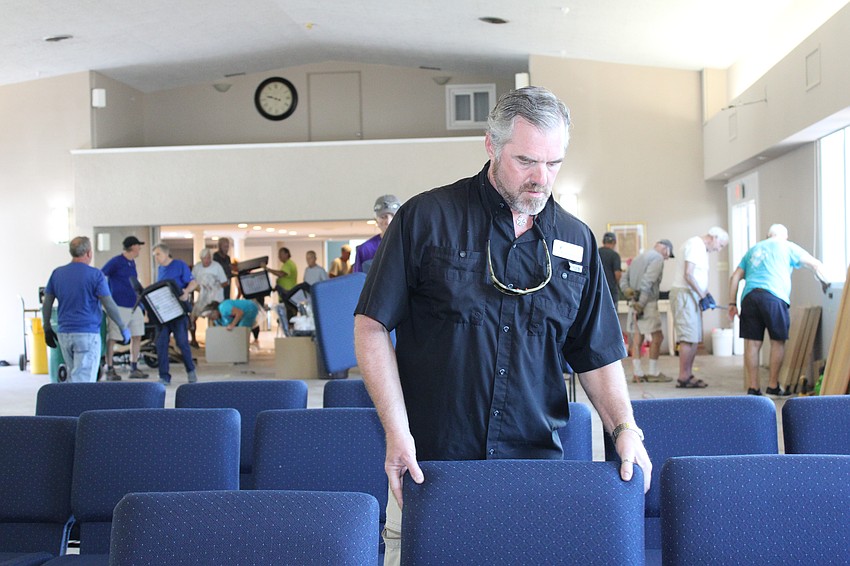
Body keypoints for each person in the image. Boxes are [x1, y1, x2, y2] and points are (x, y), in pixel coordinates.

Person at [353, 86, 651, 565]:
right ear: (491, 146)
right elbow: (371, 327)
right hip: (432, 462)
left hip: (533, 468)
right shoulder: (426, 219)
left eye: (555, 164)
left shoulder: (575, 240)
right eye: (527, 161)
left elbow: (596, 352)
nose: (541, 178)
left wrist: (624, 426)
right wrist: (396, 429)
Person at [728, 224, 830, 396]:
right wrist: (826, 283)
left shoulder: (753, 249)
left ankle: (753, 388)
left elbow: (735, 276)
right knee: (777, 341)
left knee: (752, 343)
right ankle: (773, 386)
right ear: (785, 236)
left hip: (750, 297)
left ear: (768, 235)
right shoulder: (787, 246)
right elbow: (815, 264)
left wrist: (732, 303)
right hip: (774, 297)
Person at [42, 236, 130, 383]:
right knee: (83, 382)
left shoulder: (57, 274)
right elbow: (108, 304)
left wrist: (46, 327)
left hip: (64, 334)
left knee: (74, 376)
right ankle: (79, 406)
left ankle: (72, 405)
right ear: (89, 253)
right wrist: (122, 327)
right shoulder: (95, 275)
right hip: (86, 333)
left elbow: (47, 303)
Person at [669, 226, 728, 388]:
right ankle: (683, 377)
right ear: (714, 237)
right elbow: (688, 274)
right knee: (688, 337)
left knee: (693, 337)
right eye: (720, 245)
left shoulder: (700, 248)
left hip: (691, 295)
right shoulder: (695, 245)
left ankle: (687, 374)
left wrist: (706, 294)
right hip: (684, 295)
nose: (718, 249)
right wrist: (703, 296)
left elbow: (697, 276)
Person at [621, 239, 675, 382]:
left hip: (634, 302)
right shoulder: (657, 258)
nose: (667, 258)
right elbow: (648, 282)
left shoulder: (639, 257)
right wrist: (642, 303)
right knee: (658, 337)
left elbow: (623, 279)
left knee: (638, 338)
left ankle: (637, 374)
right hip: (647, 303)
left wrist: (628, 292)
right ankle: (654, 373)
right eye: (668, 255)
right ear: (666, 249)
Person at [100, 235, 149, 380]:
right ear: (133, 247)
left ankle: (134, 367)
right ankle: (110, 368)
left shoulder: (132, 263)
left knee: (137, 335)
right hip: (119, 306)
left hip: (134, 305)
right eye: (138, 246)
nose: (139, 248)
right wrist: (106, 295)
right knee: (114, 336)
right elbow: (101, 274)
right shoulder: (116, 262)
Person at [152, 242, 198, 385]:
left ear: (166, 253)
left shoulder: (179, 265)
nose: (156, 258)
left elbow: (193, 282)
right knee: (161, 344)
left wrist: (186, 292)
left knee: (182, 342)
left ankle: (191, 371)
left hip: (178, 312)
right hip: (164, 314)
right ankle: (164, 376)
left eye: (158, 254)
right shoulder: (160, 270)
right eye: (155, 255)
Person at [190, 248, 228, 347]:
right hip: (202, 296)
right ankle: (193, 340)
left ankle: (215, 341)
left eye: (208, 258)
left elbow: (225, 282)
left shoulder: (217, 266)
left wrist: (215, 286)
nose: (206, 261)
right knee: (193, 317)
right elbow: (192, 282)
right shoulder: (197, 267)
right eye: (204, 259)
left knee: (213, 318)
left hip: (215, 297)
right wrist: (199, 288)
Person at [353, 195, 401, 274]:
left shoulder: (409, 245)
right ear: (376, 220)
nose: (388, 221)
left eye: (393, 216)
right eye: (383, 217)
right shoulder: (365, 249)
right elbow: (358, 281)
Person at [267, 247, 298, 322]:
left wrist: (268, 269)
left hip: (288, 295)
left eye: (281, 254)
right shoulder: (286, 264)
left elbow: (281, 274)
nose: (279, 257)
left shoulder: (288, 264)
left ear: (287, 254)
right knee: (285, 318)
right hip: (285, 295)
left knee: (289, 318)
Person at [598, 231, 622, 305]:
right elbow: (617, 274)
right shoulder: (614, 255)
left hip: (597, 289)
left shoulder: (596, 253)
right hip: (610, 291)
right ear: (614, 242)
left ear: (603, 241)